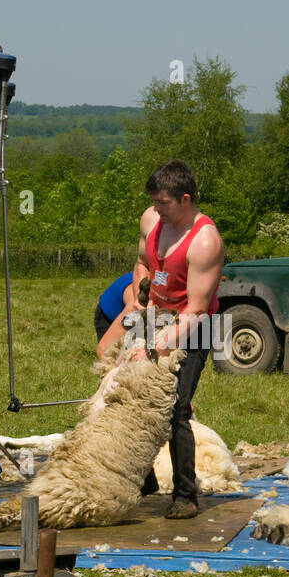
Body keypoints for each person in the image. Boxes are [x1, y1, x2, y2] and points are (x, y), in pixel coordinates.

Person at [111, 159, 225, 519]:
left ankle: (186, 495)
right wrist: (136, 297)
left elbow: (196, 307)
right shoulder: (152, 220)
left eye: (163, 203)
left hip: (196, 323)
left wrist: (163, 342)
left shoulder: (205, 240)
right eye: (154, 202)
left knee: (176, 408)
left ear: (185, 198)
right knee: (131, 397)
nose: (156, 209)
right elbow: (143, 261)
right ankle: (143, 481)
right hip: (156, 315)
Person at [94, 272, 136, 343]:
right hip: (107, 315)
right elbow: (103, 349)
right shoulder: (136, 300)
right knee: (112, 351)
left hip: (132, 315)